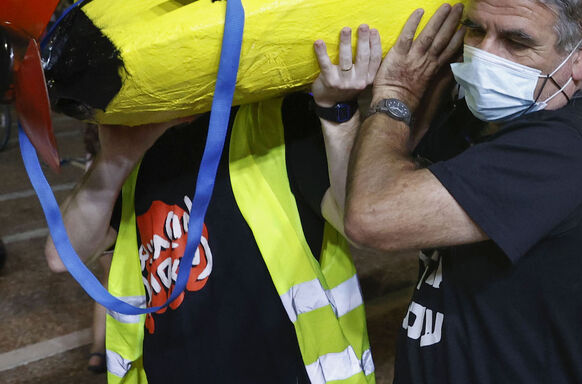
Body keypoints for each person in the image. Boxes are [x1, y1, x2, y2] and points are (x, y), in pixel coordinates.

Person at [342, 0, 582, 384]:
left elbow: (371, 215)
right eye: (475, 29)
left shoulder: (569, 148)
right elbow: (359, 189)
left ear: (581, 57)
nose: (484, 54)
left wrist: (397, 96)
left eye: (516, 41)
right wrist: (337, 109)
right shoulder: (484, 120)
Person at [46, 25, 380, 384]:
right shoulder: (141, 145)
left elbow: (359, 224)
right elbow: (62, 256)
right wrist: (115, 161)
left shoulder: (277, 120)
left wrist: (338, 114)